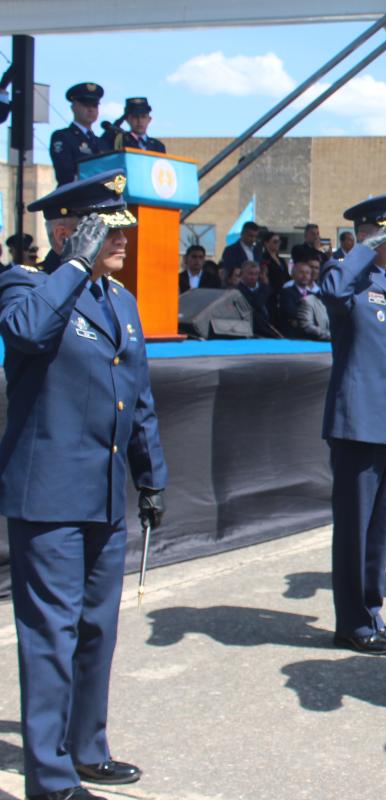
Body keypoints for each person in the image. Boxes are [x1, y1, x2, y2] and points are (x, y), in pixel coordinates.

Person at [0, 169, 167, 800]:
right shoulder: (27, 284)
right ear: (67, 228)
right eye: (106, 227)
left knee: (98, 626)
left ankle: (87, 746)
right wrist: (71, 264)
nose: (120, 238)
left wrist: (151, 477)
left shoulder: (118, 300)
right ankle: (49, 775)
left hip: (103, 492)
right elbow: (24, 333)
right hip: (48, 495)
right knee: (52, 634)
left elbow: (138, 394)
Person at [315, 193, 386, 656]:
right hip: (358, 424)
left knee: (379, 529)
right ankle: (352, 621)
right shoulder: (348, 277)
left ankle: (372, 612)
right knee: (354, 529)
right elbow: (332, 289)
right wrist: (362, 247)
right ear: (367, 234)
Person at [50, 83, 110, 186]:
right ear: (73, 107)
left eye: (94, 105)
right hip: (74, 198)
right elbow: (65, 175)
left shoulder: (101, 143)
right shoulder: (63, 137)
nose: (91, 109)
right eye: (86, 104)